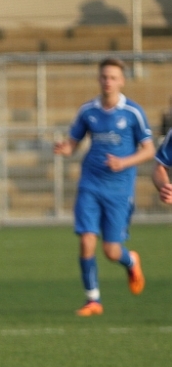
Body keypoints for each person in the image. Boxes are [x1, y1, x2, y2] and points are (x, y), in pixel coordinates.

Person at [53, 57, 153, 317]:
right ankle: (93, 300)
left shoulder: (132, 112)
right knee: (86, 239)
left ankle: (131, 261)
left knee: (111, 251)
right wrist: (65, 149)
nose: (108, 81)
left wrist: (123, 162)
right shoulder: (88, 111)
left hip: (119, 190)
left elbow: (149, 150)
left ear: (122, 81)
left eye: (113, 77)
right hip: (90, 184)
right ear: (99, 79)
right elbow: (73, 143)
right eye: (104, 77)